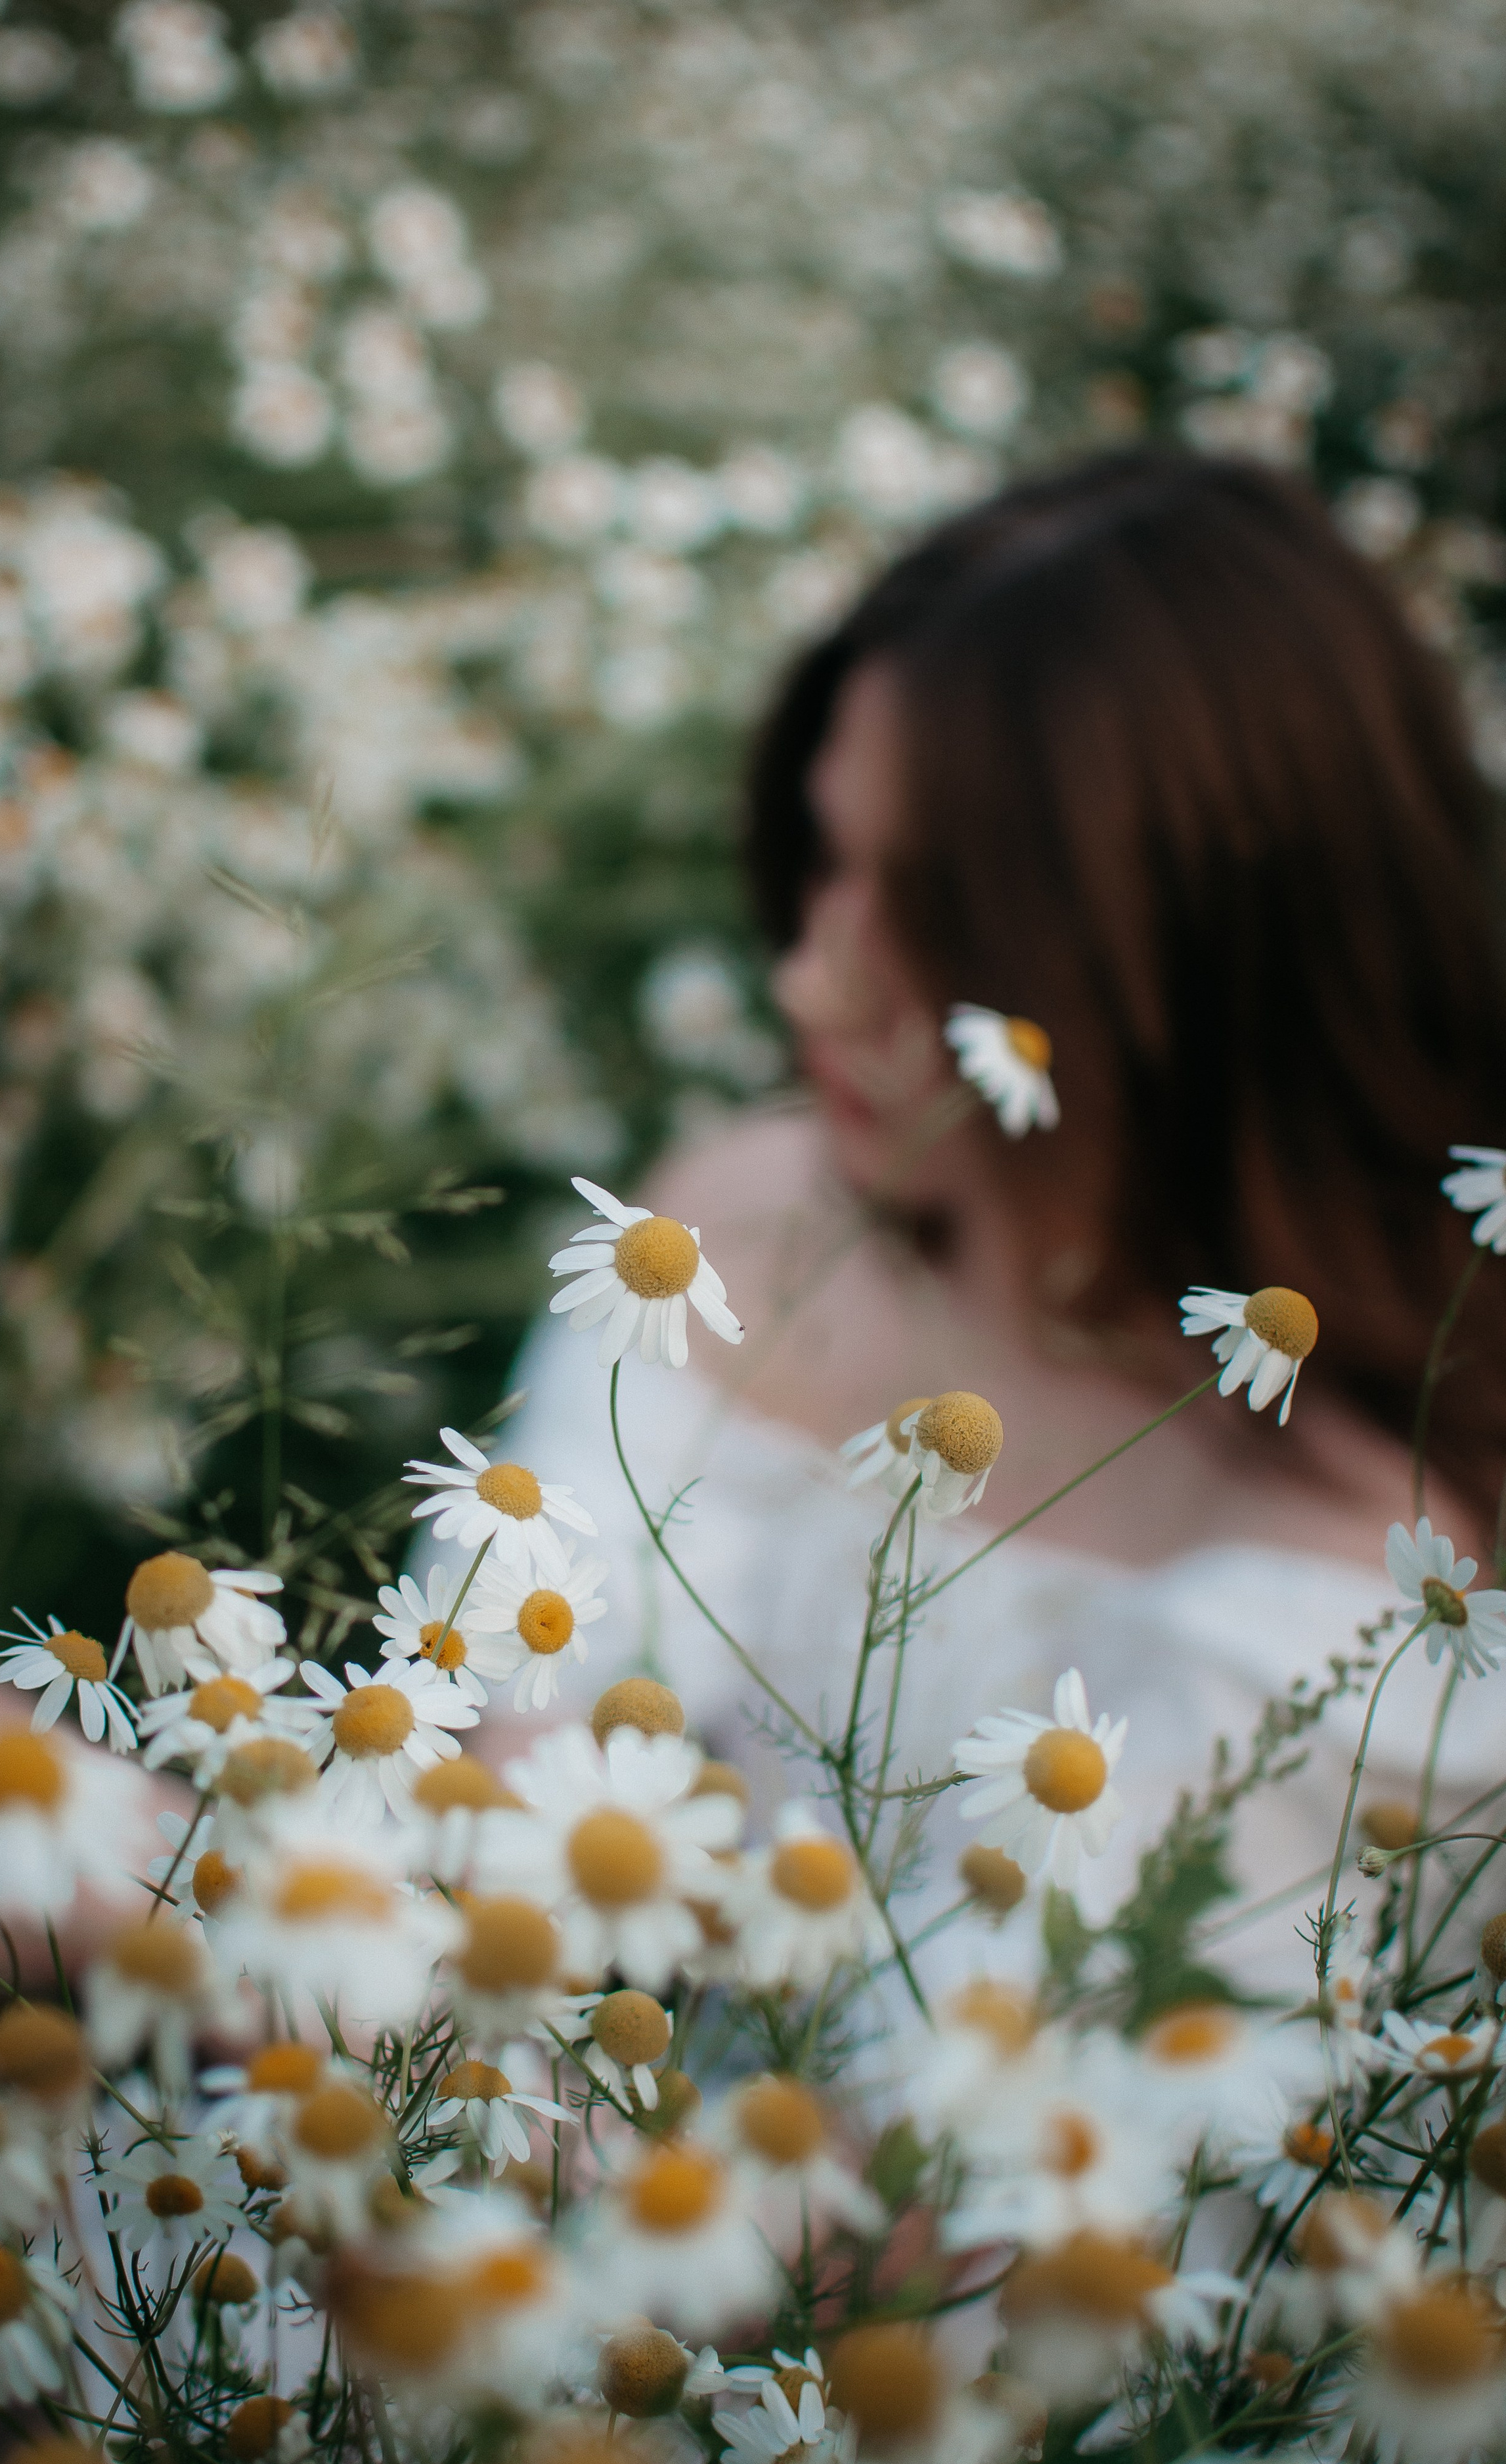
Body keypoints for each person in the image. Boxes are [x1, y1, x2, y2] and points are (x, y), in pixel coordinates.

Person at [500, 449, 1506, 1981]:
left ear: (1192, 960)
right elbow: (475, 1806)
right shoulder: (749, 1220)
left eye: (934, 911)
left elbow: (907, 2197)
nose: (810, 980)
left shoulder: (1342, 1610)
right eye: (824, 859)